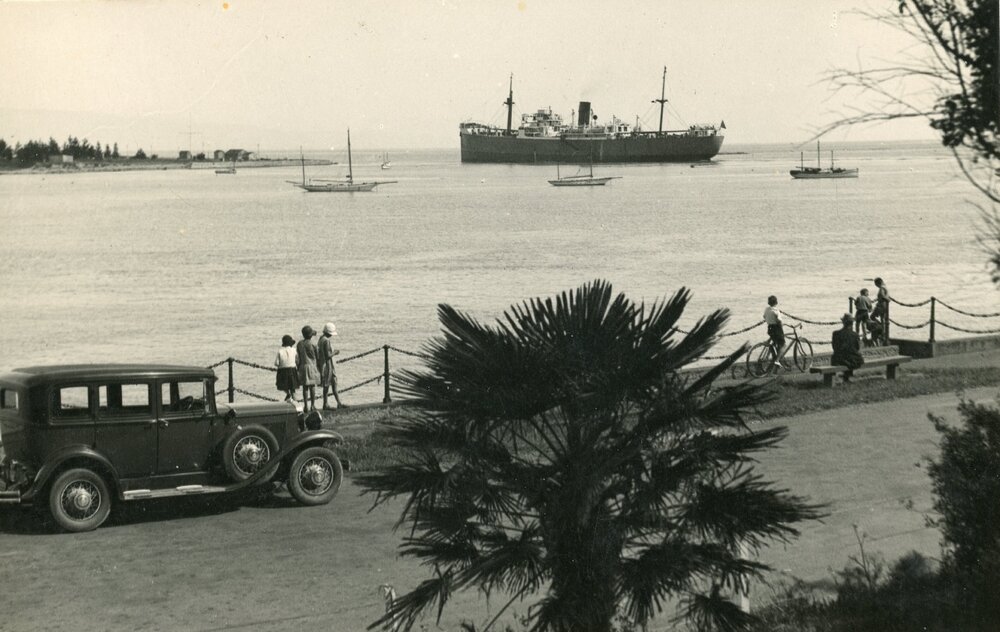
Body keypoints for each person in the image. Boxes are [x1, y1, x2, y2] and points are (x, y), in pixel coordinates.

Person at [318, 321, 346, 410]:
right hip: (328, 366)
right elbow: (328, 355)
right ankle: (327, 404)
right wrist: (335, 352)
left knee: (332, 384)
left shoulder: (321, 339)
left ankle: (338, 402)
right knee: (328, 385)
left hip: (325, 365)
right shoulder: (326, 341)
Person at [831, 313, 865, 383]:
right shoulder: (855, 335)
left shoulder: (836, 334)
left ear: (843, 322)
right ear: (852, 323)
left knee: (834, 357)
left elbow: (835, 347)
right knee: (851, 355)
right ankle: (847, 375)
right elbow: (857, 347)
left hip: (841, 359)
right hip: (854, 360)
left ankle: (833, 377)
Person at [296, 325, 320, 413]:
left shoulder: (299, 344)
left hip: (302, 366)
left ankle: (305, 405)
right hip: (311, 366)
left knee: (305, 388)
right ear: (310, 335)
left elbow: (297, 357)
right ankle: (313, 405)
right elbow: (317, 356)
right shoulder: (313, 344)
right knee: (312, 386)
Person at [763, 295, 790, 369]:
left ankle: (774, 355)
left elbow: (764, 316)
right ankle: (777, 360)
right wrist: (782, 327)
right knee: (783, 345)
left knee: (775, 342)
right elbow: (779, 321)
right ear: (776, 302)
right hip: (777, 329)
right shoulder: (776, 311)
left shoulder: (767, 309)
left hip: (770, 328)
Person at [274, 334, 299, 402]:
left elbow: (276, 363)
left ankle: (288, 393)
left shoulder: (280, 351)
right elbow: (297, 361)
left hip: (282, 371)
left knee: (283, 386)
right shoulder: (294, 350)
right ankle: (296, 402)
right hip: (292, 370)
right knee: (293, 388)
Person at [873, 277, 890, 345]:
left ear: (878, 283)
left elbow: (882, 296)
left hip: (881, 305)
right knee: (883, 319)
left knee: (872, 317)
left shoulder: (882, 288)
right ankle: (882, 330)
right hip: (884, 305)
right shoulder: (885, 287)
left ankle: (881, 328)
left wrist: (887, 299)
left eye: (876, 284)